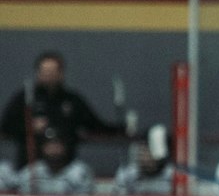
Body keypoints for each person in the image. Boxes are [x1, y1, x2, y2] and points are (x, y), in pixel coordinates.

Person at [0, 50, 131, 171]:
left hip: (66, 171)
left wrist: (122, 129)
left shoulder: (72, 101)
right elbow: (5, 127)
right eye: (45, 72)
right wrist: (29, 126)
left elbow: (95, 126)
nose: (48, 76)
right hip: (31, 169)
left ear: (61, 73)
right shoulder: (25, 99)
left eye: (52, 72)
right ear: (38, 73)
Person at [17, 125, 95, 195]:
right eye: (49, 145)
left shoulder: (79, 172)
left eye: (57, 144)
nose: (53, 149)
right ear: (42, 148)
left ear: (65, 147)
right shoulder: (31, 172)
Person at [111, 123, 176, 196]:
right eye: (140, 149)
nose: (141, 154)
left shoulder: (174, 177)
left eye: (146, 149)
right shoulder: (127, 175)